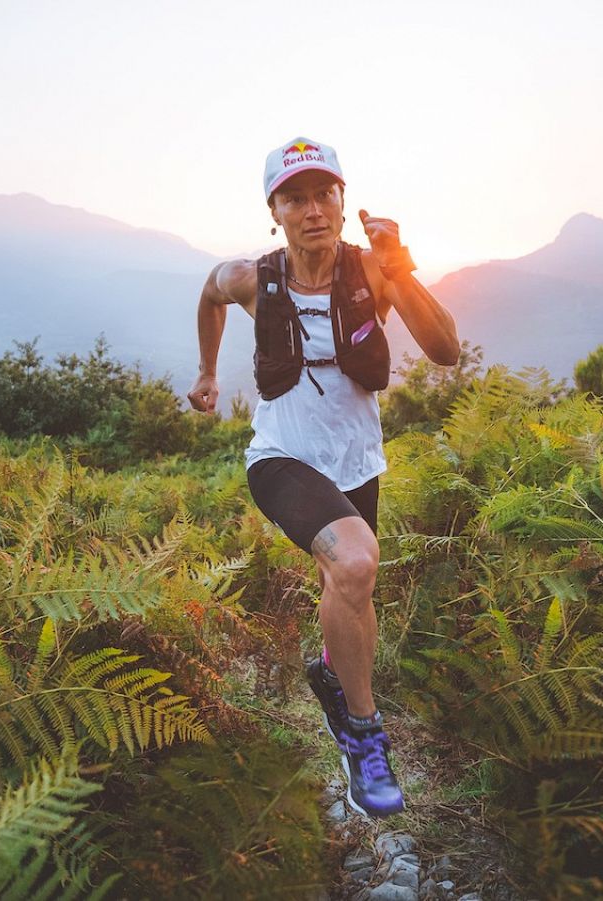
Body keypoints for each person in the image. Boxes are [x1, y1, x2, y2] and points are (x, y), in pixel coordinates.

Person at [187, 137, 460, 817]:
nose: (313, 209)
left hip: (356, 461)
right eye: (296, 197)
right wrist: (208, 371)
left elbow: (447, 350)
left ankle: (334, 678)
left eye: (325, 194)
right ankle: (363, 739)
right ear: (274, 209)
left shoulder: (376, 272)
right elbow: (209, 292)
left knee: (351, 589)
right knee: (358, 563)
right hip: (282, 460)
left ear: (343, 200)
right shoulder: (256, 278)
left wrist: (402, 270)